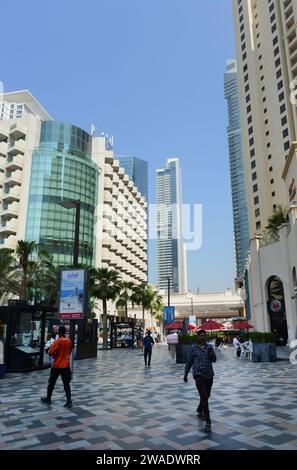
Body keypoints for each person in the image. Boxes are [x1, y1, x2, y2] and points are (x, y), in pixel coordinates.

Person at [183, 329, 216, 433]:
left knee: (207, 395)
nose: (203, 337)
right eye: (201, 336)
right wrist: (186, 374)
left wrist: (211, 355)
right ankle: (208, 422)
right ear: (198, 337)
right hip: (198, 374)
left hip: (209, 374)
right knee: (204, 397)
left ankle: (199, 409)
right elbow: (189, 362)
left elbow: (214, 360)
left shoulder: (210, 347)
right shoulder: (193, 348)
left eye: (204, 335)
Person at [40, 325, 73, 408]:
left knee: (51, 383)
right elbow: (69, 351)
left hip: (57, 365)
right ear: (65, 332)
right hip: (66, 366)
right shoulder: (69, 341)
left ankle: (48, 398)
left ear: (59, 332)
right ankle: (69, 401)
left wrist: (56, 354)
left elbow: (50, 352)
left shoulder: (58, 341)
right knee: (66, 384)